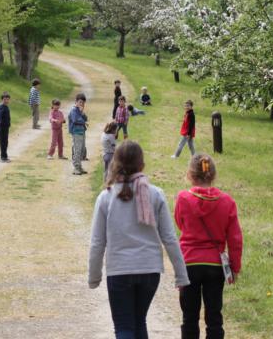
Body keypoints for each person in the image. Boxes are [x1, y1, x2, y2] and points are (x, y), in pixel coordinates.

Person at [88, 141, 190, 339]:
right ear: (142, 164)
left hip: (119, 270)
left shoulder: (106, 197)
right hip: (150, 271)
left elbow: (97, 243)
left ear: (115, 164)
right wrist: (181, 275)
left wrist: (94, 276)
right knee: (139, 321)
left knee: (124, 326)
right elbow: (169, 238)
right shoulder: (156, 194)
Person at [175, 154, 243, 339]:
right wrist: (235, 267)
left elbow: (180, 224)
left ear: (190, 174)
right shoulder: (227, 201)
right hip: (215, 265)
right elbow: (235, 238)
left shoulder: (183, 198)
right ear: (213, 175)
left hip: (189, 263)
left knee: (189, 317)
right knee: (214, 317)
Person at [68, 93, 88, 175]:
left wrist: (82, 113)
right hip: (76, 132)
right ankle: (76, 168)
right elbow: (75, 120)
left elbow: (86, 118)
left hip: (82, 131)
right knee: (77, 150)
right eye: (80, 102)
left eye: (83, 103)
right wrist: (84, 121)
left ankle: (79, 166)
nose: (81, 104)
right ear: (76, 102)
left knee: (82, 150)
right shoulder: (73, 110)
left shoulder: (80, 110)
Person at [0, 92, 11, 163]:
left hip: (6, 127)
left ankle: (5, 156)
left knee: (5, 142)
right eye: (5, 99)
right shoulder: (2, 106)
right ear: (2, 99)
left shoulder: (5, 106)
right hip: (2, 127)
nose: (6, 101)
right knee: (3, 142)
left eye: (8, 99)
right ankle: (3, 157)